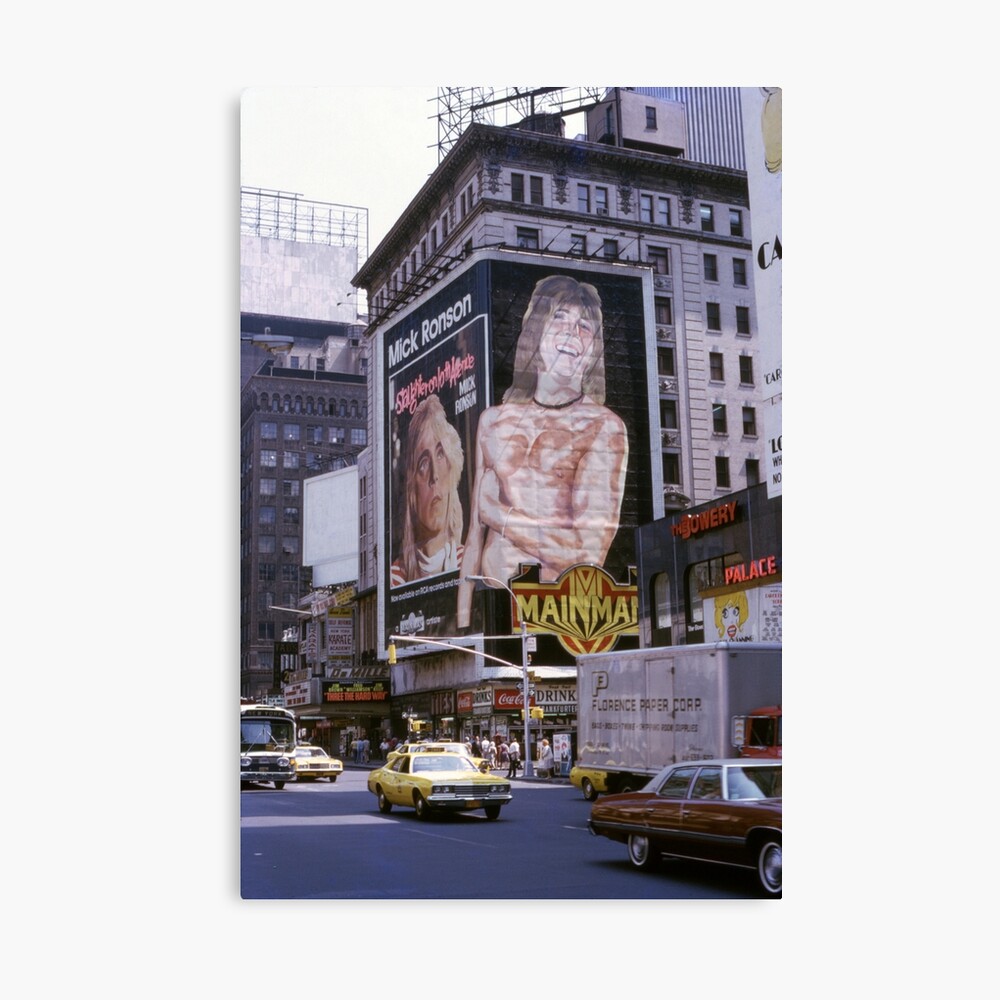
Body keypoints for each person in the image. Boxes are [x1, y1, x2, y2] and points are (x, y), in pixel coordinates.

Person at [457, 275, 628, 627]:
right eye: (560, 318)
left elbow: (587, 555)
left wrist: (498, 514)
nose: (571, 333)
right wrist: (462, 627)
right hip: (493, 615)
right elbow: (473, 541)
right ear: (536, 331)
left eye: (584, 326)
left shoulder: (604, 428)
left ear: (594, 348)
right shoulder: (492, 422)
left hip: (559, 618)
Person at [391, 393, 466, 587]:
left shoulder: (471, 563)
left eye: (441, 455)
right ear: (411, 488)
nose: (435, 476)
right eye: (423, 463)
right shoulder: (395, 578)